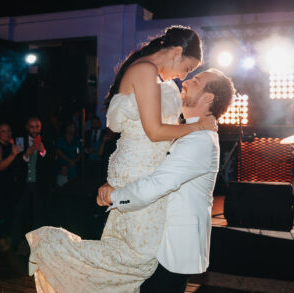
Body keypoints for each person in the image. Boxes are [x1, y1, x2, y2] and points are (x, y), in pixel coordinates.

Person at [26, 25, 217, 292]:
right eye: (187, 69)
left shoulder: (155, 77)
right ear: (176, 52)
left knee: (130, 253)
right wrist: (197, 126)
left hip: (144, 165)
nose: (183, 77)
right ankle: (52, 248)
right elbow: (154, 131)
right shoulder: (145, 70)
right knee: (137, 257)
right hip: (138, 166)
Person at [98, 69, 235, 292]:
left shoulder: (200, 140)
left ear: (208, 98)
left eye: (197, 81)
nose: (187, 81)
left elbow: (158, 184)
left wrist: (113, 196)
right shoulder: (185, 131)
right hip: (154, 242)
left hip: (172, 247)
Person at [12, 117, 50, 253]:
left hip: (39, 186)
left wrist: (43, 151)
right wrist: (26, 156)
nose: (34, 130)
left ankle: (37, 247)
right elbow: (16, 165)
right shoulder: (20, 141)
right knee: (20, 213)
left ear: (41, 127)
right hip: (24, 186)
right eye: (32, 127)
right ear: (27, 127)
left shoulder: (48, 140)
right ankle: (18, 245)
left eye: (37, 127)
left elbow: (51, 164)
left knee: (38, 216)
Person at [0, 123, 22, 251]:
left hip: (10, 183)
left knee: (10, 212)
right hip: (0, 184)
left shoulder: (9, 144)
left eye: (8, 130)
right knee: (1, 213)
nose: (7, 133)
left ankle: (7, 239)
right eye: (3, 131)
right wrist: (13, 154)